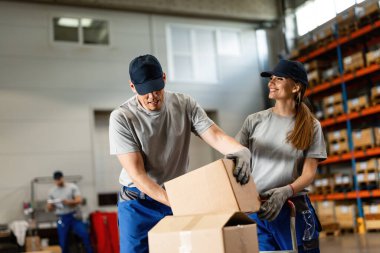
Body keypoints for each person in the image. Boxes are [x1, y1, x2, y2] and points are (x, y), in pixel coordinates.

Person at [109, 54, 251, 253]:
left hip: (174, 197)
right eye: (145, 92)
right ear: (132, 87)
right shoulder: (122, 117)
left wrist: (240, 151)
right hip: (137, 203)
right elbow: (138, 176)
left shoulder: (185, 104)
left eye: (157, 89)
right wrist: (179, 202)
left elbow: (216, 137)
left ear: (164, 78)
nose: (152, 97)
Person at [236, 59, 327, 252]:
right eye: (270, 79)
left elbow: (309, 173)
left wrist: (286, 191)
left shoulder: (311, 126)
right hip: (259, 212)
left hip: (293, 211)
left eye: (278, 79)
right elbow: (233, 155)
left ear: (295, 87)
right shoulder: (254, 121)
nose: (271, 83)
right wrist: (238, 155)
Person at [46, 171, 93, 253]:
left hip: (73, 216)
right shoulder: (52, 191)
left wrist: (68, 202)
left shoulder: (72, 187)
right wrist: (52, 205)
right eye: (56, 180)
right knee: (63, 241)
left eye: (59, 179)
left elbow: (79, 200)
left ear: (62, 178)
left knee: (84, 234)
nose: (58, 181)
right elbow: (49, 208)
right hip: (62, 218)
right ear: (54, 180)